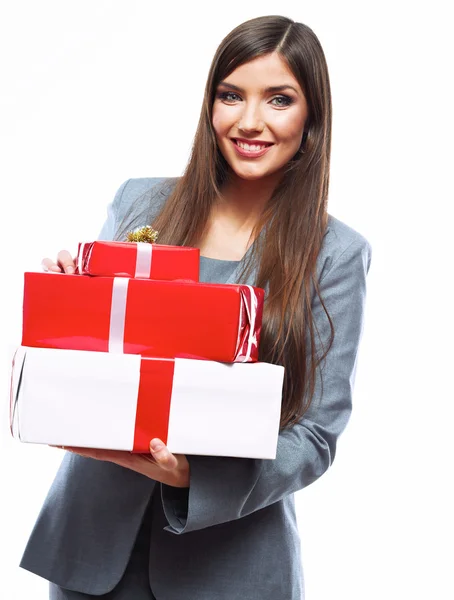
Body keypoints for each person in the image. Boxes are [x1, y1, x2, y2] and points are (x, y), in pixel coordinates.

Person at [22, 14, 372, 600]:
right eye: (230, 95)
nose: (249, 121)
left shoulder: (336, 253)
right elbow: (94, 363)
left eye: (279, 100)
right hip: (92, 552)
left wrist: (194, 476)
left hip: (229, 565)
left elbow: (315, 435)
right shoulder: (141, 202)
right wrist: (71, 303)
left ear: (312, 116)